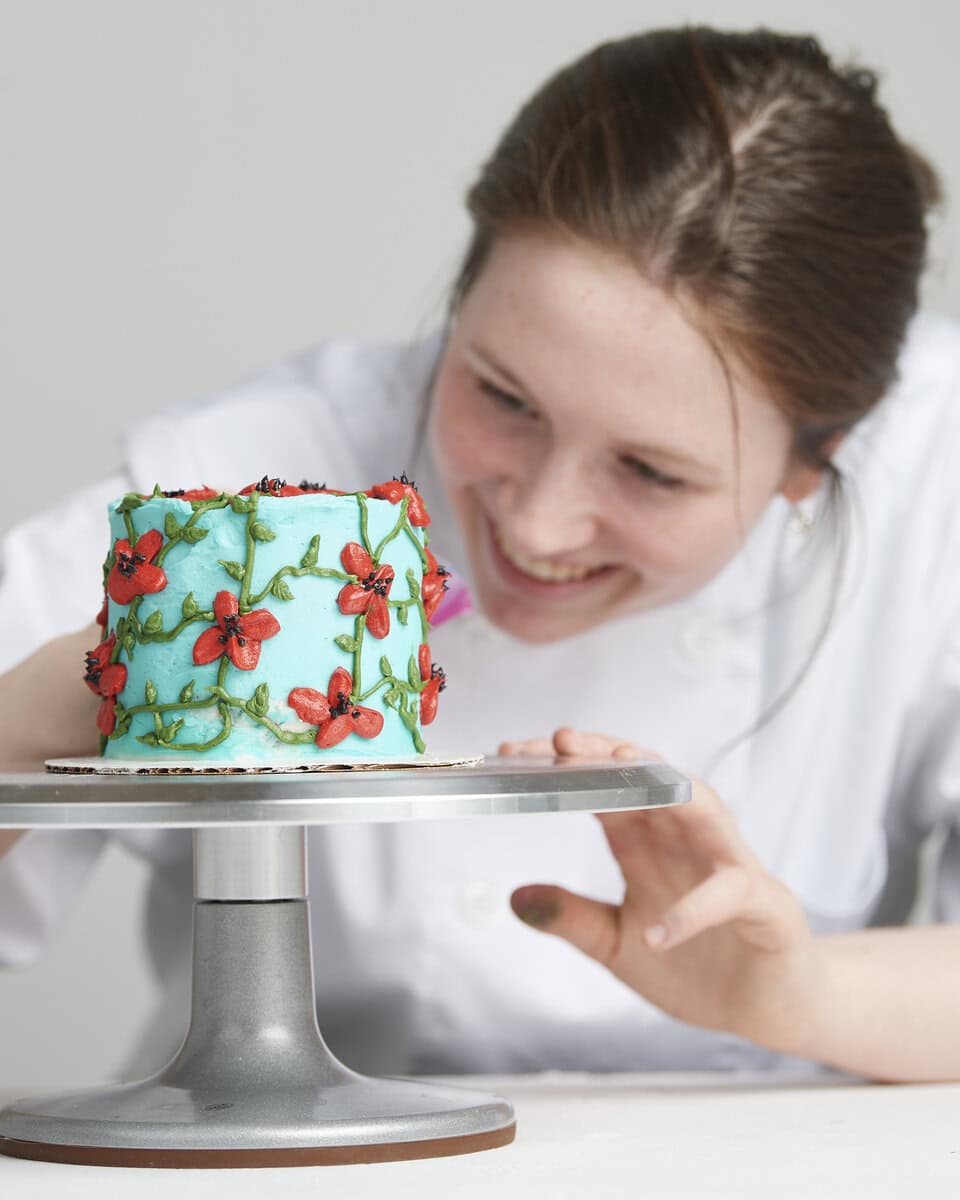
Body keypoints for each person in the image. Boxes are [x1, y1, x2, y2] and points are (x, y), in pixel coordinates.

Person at [1, 26, 957, 1082]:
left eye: (650, 471)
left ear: (817, 458)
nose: (538, 527)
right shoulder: (248, 493)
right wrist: (38, 716)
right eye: (503, 396)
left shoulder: (934, 478)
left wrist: (802, 995)